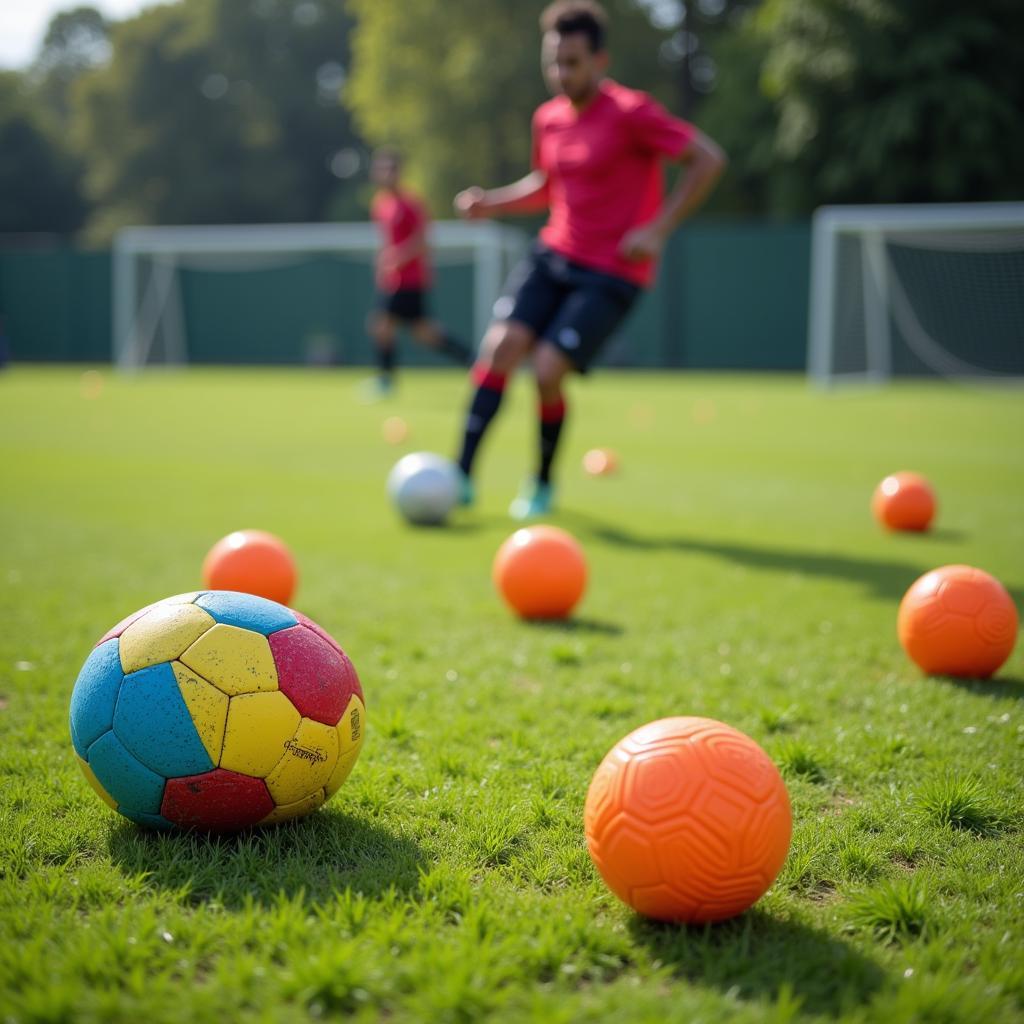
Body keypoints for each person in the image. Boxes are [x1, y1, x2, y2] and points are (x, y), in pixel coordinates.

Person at [452, 0, 726, 518]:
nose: (560, 73)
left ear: (600, 61)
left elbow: (708, 160)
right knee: (500, 346)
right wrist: (491, 203)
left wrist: (658, 229)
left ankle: (541, 483)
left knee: (549, 369)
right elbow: (546, 185)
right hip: (555, 252)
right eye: (552, 62)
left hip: (613, 271)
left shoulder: (632, 112)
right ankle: (460, 477)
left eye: (571, 62)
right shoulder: (548, 118)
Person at [366, 147, 472, 396]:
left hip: (411, 279)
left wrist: (398, 257)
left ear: (399, 171)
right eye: (382, 169)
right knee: (426, 333)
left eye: (390, 168)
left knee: (381, 325)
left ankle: (385, 381)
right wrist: (383, 263)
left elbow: (424, 240)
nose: (386, 173)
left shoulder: (411, 202)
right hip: (393, 280)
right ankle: (474, 362)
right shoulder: (380, 204)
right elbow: (386, 241)